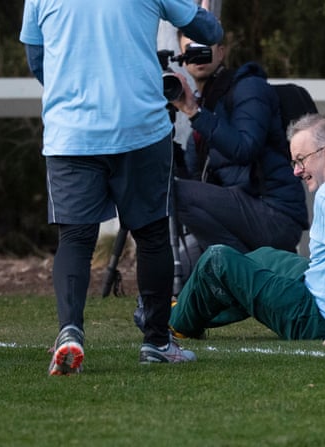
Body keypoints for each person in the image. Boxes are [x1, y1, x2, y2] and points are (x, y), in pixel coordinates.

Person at [19, 0, 223, 374]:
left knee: (75, 238)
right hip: (139, 129)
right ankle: (157, 342)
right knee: (152, 234)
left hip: (71, 134)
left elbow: (37, 58)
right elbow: (209, 33)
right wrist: (205, 11)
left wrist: (72, 88)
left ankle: (70, 333)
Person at [169, 114, 325, 347]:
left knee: (217, 259)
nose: (296, 171)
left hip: (320, 319)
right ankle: (188, 308)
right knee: (263, 257)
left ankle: (174, 321)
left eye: (301, 160)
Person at [169, 33, 309, 279]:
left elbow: (245, 148)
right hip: (239, 216)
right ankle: (248, 270)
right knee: (173, 271)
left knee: (175, 193)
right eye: (191, 50)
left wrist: (194, 112)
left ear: (221, 52)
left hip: (274, 214)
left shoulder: (249, 87)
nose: (198, 55)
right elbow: (195, 183)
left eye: (205, 48)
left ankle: (247, 273)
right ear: (182, 60)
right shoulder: (207, 106)